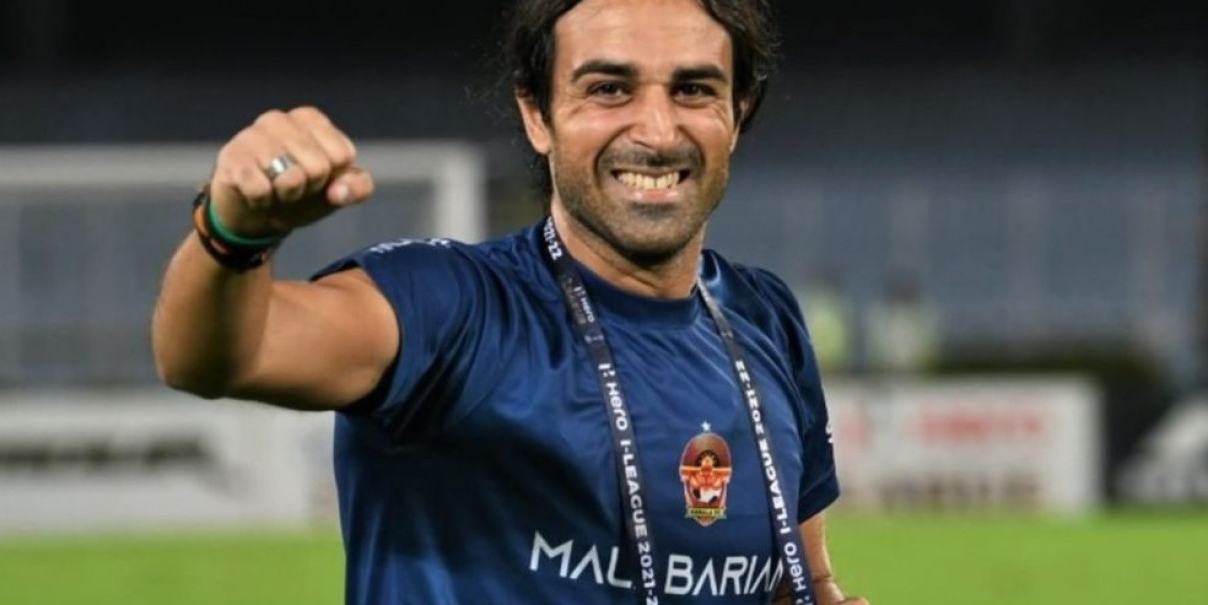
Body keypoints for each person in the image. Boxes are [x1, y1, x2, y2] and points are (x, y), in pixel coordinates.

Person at [151, 0, 869, 603]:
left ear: (737, 113)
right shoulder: (452, 308)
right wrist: (232, 231)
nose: (656, 131)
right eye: (608, 89)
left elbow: (799, 581)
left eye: (692, 89)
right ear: (537, 114)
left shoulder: (764, 317)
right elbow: (217, 357)